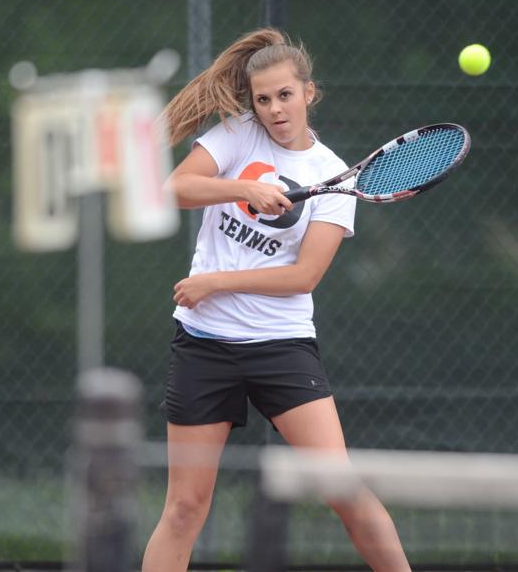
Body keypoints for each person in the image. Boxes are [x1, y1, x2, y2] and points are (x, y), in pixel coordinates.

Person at [141, 28, 411, 572]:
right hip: (204, 346)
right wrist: (243, 188)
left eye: (285, 95)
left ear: (308, 92)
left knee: (342, 489)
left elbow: (304, 277)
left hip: (281, 348)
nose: (274, 109)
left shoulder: (332, 177)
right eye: (263, 99)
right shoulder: (238, 135)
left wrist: (217, 282)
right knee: (184, 509)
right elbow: (175, 188)